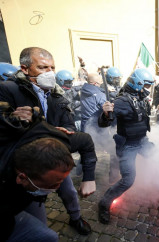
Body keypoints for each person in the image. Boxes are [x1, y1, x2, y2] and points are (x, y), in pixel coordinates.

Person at [0, 47, 94, 235]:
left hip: (56, 150)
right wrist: (14, 121)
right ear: (25, 69)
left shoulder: (57, 95)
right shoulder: (8, 89)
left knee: (68, 191)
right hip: (28, 162)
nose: (50, 73)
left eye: (52, 67)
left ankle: (75, 218)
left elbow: (69, 122)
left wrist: (67, 131)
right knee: (37, 215)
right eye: (43, 67)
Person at [97, 68, 155, 224]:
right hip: (128, 145)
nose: (149, 89)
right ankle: (104, 204)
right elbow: (104, 122)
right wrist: (105, 113)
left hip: (142, 141)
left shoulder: (140, 98)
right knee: (128, 180)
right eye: (147, 86)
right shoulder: (122, 101)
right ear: (138, 84)